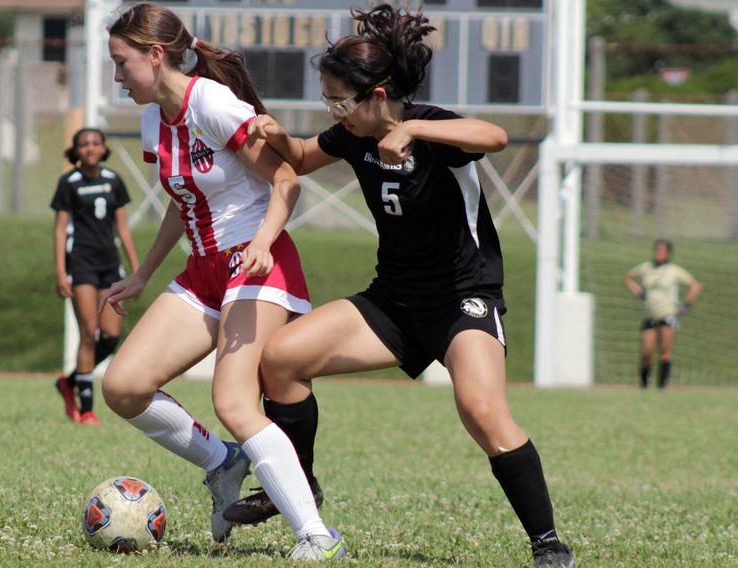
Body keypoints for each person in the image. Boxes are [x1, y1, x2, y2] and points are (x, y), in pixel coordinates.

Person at [222, 5, 575, 567]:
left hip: (463, 298)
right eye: (329, 100)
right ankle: (300, 485)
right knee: (283, 358)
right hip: (393, 300)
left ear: (379, 93)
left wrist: (411, 128)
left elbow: (497, 135)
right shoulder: (352, 135)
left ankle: (548, 543)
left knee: (482, 410)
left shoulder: (435, 127)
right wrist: (269, 131)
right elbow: (302, 157)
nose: (334, 111)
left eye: (341, 100)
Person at [99, 3, 345, 558]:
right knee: (123, 387)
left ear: (155, 55)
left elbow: (286, 179)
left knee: (234, 401)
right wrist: (142, 274)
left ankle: (317, 536)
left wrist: (260, 243)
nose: (117, 76)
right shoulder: (151, 118)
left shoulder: (209, 101)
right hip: (205, 270)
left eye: (121, 63)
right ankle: (224, 463)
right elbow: (180, 200)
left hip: (258, 261)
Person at [51, 127, 140, 425]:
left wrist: (137, 269)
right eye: (84, 144)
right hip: (82, 265)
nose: (90, 148)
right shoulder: (69, 183)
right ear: (76, 151)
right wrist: (61, 272)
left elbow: (123, 228)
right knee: (88, 333)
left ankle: (71, 381)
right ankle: (87, 409)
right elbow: (61, 229)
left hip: (109, 265)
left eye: (95, 143)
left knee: (111, 337)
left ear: (103, 149)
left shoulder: (113, 180)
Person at [624, 239, 701, 389]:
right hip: (650, 315)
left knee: (665, 352)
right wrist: (639, 292)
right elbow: (628, 278)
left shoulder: (674, 270)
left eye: (662, 250)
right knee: (646, 352)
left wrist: (686, 304)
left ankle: (661, 387)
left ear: (668, 253)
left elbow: (695, 285)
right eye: (657, 250)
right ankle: (644, 385)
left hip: (668, 314)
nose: (659, 253)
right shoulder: (646, 267)